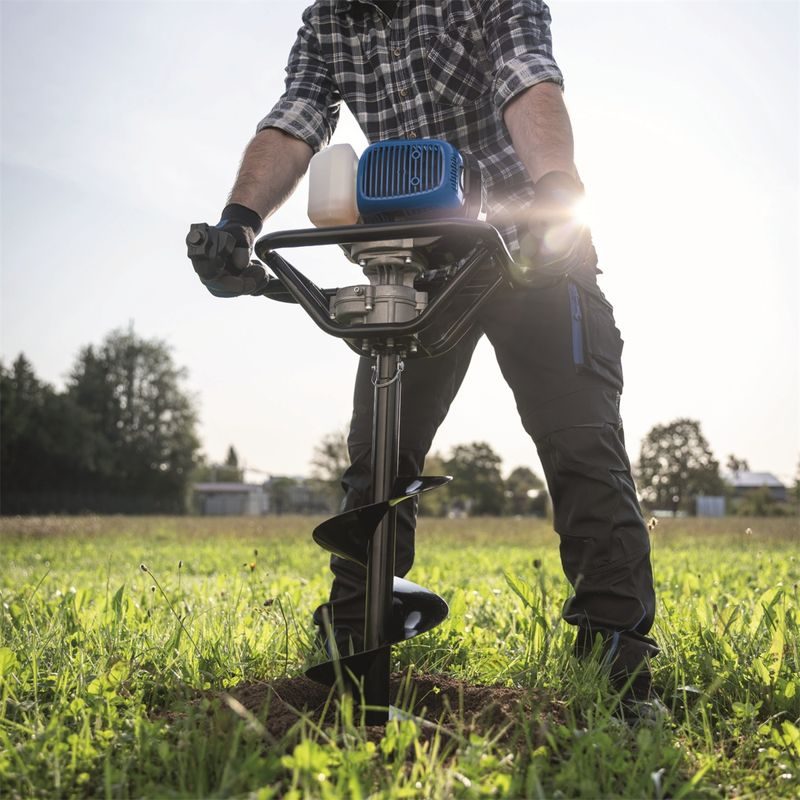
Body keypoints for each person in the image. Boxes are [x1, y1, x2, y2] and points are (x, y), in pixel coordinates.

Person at [188, 0, 659, 707]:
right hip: (417, 266)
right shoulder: (330, 21)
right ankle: (355, 654)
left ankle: (618, 672)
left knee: (581, 448)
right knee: (377, 463)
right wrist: (240, 222)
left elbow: (525, 75)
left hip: (531, 247)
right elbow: (296, 118)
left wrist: (557, 191)